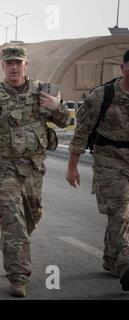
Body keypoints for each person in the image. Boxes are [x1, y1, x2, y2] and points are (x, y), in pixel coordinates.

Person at [0, 46, 70, 297]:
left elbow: (65, 123)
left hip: (33, 167)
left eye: (18, 62)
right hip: (5, 165)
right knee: (11, 217)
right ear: (2, 66)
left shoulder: (42, 92)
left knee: (31, 218)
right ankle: (19, 276)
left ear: (26, 65)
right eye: (9, 63)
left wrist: (56, 107)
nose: (13, 67)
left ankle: (11, 246)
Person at [66, 49, 129, 291]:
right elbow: (81, 133)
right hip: (109, 160)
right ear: (122, 68)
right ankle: (125, 264)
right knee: (120, 211)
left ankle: (112, 258)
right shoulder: (102, 96)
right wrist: (72, 167)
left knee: (123, 215)